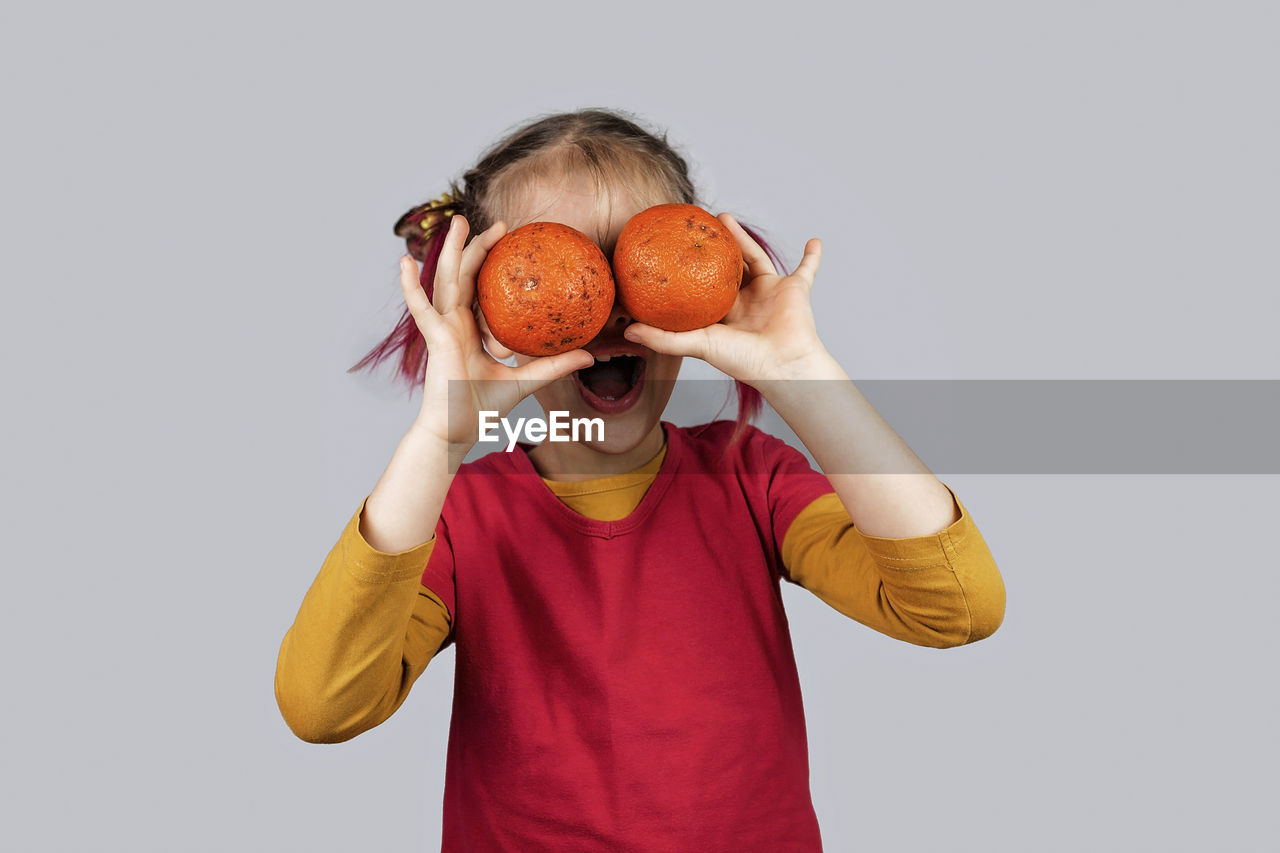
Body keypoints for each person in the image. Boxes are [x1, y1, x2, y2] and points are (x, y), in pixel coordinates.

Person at [274, 108, 1005, 850]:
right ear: (489, 309)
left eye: (632, 262)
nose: (607, 310)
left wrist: (802, 374)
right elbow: (323, 704)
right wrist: (439, 438)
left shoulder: (748, 480)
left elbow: (955, 606)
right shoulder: (460, 516)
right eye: (558, 262)